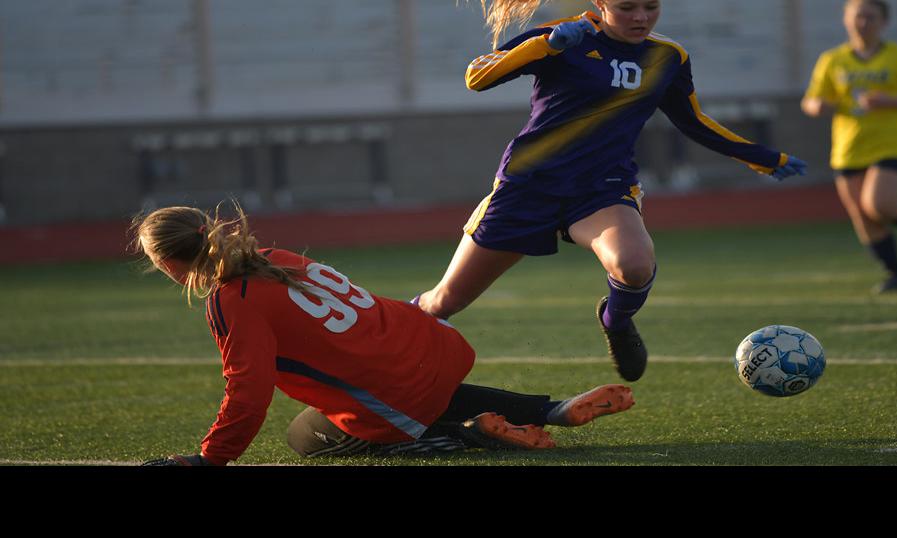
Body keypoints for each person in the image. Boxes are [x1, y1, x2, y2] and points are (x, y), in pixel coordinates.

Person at [415, 0, 807, 381]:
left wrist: (764, 158)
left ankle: (616, 321)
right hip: (528, 188)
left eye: (651, 7)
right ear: (600, 4)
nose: (640, 18)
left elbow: (693, 121)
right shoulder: (561, 37)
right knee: (443, 302)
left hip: (602, 190)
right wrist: (545, 46)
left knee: (634, 264)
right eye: (627, 7)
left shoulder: (667, 57)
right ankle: (383, 348)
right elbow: (477, 77)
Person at [133, 204, 635, 466]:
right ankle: (551, 410)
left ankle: (467, 436)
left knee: (306, 436)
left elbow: (248, 394)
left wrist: (209, 459)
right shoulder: (279, 259)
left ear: (170, 265)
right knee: (411, 391)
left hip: (399, 386)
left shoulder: (230, 301)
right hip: (432, 347)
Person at [801, 0, 897, 293]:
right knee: (862, 215)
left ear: (884, 22)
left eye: (870, 17)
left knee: (879, 204)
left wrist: (890, 101)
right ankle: (896, 275)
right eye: (857, 17)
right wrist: (819, 106)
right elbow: (811, 100)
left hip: (893, 143)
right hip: (849, 147)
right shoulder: (833, 60)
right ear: (846, 20)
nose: (863, 23)